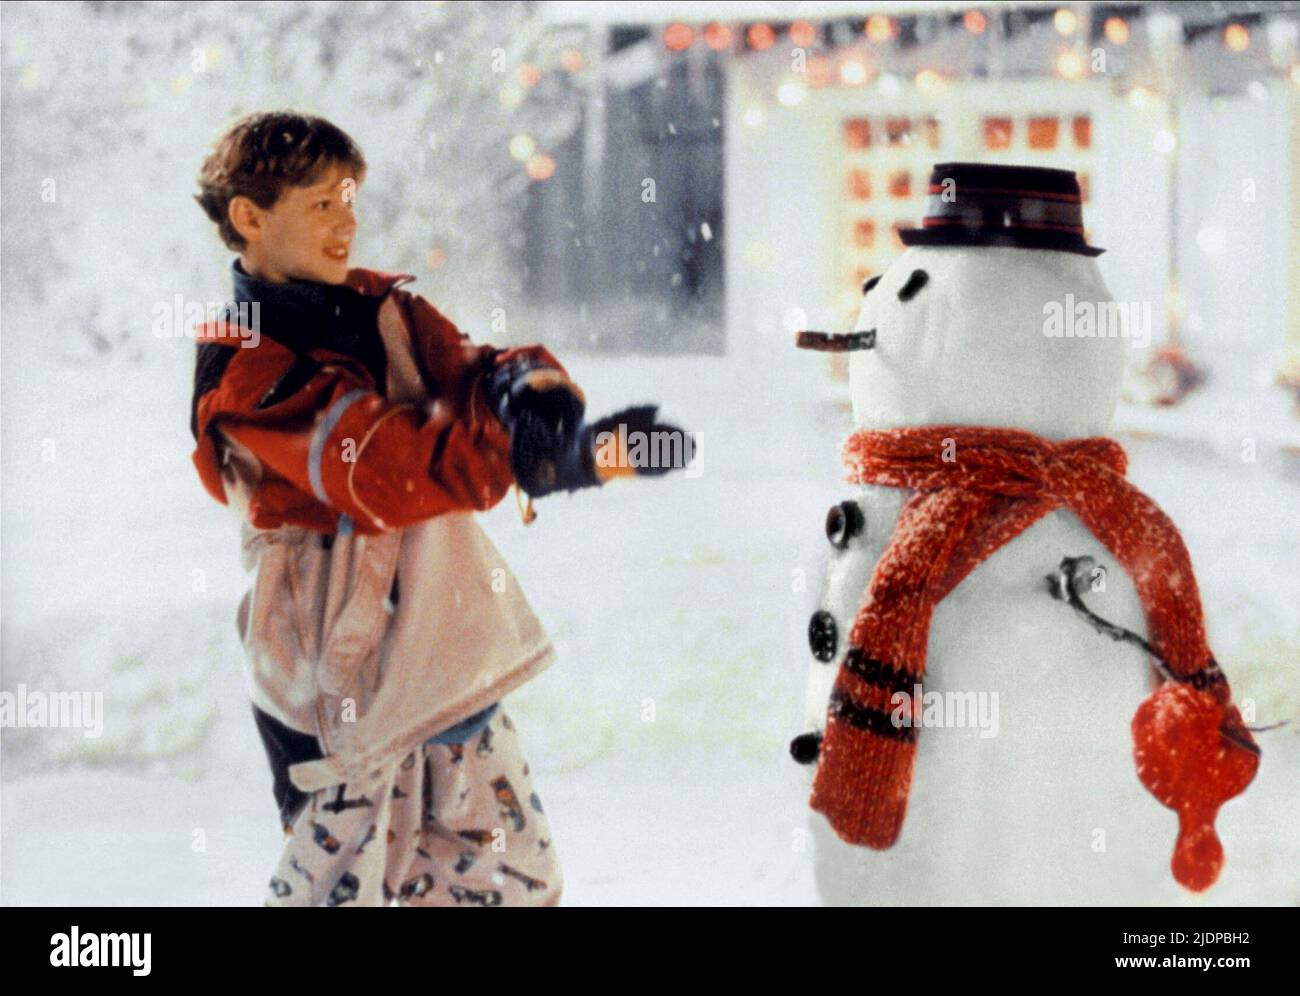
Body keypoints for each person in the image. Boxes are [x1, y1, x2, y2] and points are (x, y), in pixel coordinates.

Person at [189, 110, 685, 906]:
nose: (348, 221)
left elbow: (470, 369)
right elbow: (384, 470)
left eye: (352, 199)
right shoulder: (247, 367)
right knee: (346, 885)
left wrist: (531, 395)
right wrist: (547, 461)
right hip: (339, 673)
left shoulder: (381, 308)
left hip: (442, 648)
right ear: (249, 216)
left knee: (508, 876)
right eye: (322, 203)